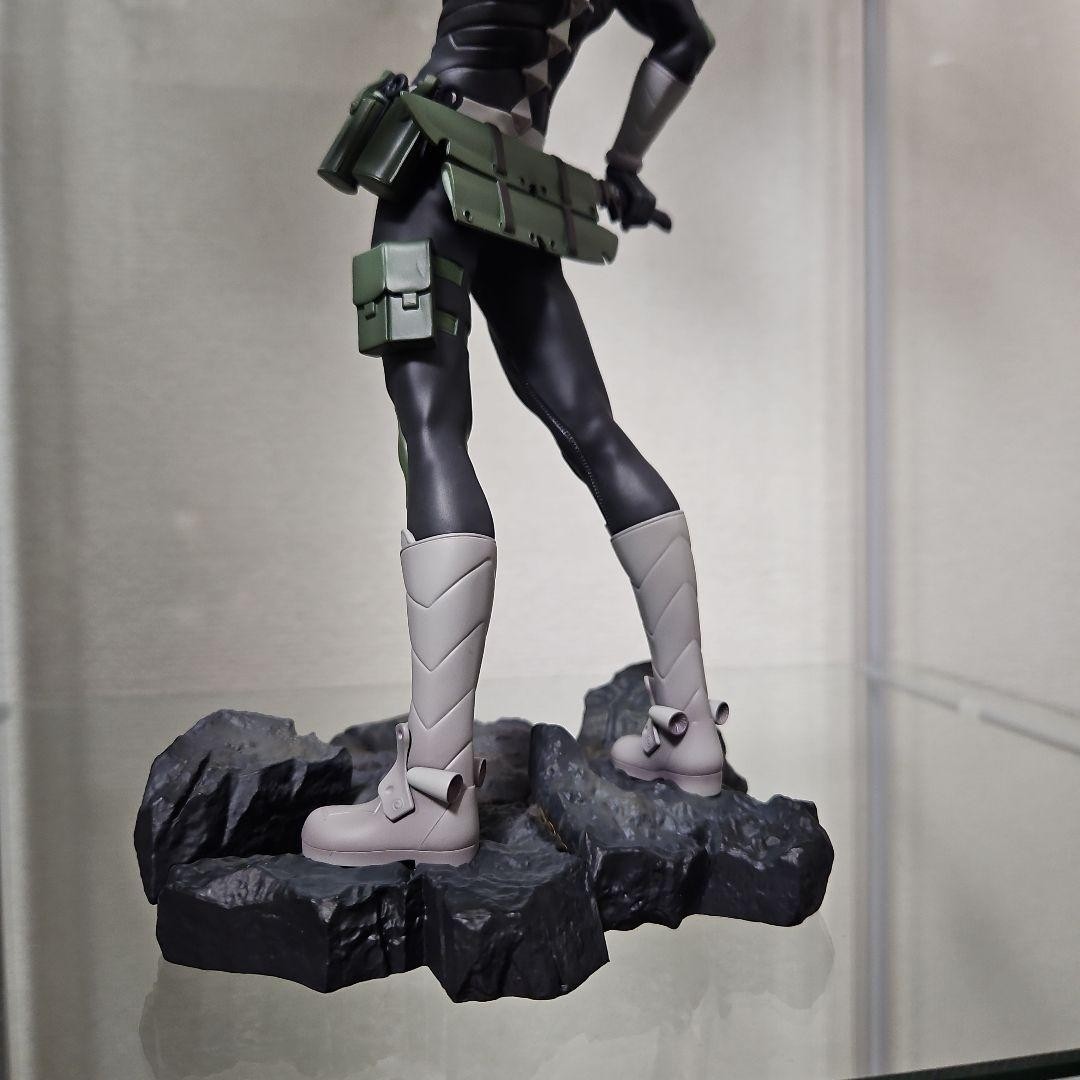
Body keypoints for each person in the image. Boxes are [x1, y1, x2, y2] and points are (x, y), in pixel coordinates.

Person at [302, 0, 730, 868]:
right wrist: (625, 163)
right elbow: (685, 37)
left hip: (435, 167)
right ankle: (688, 727)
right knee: (596, 433)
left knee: (432, 436)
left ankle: (433, 792)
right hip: (515, 184)